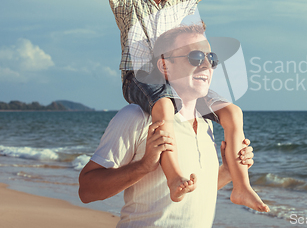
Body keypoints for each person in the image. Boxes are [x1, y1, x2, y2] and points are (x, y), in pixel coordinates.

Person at [42, 0, 268, 212]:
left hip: (177, 79)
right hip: (141, 76)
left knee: (233, 112)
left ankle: (241, 186)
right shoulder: (129, 1)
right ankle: (173, 175)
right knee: (163, 106)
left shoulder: (179, 2)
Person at [79, 23, 258, 227]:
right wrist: (143, 166)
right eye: (195, 57)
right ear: (165, 66)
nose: (206, 65)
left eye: (211, 58)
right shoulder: (136, 117)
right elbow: (86, 190)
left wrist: (227, 171)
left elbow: (189, 194)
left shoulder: (207, 123)